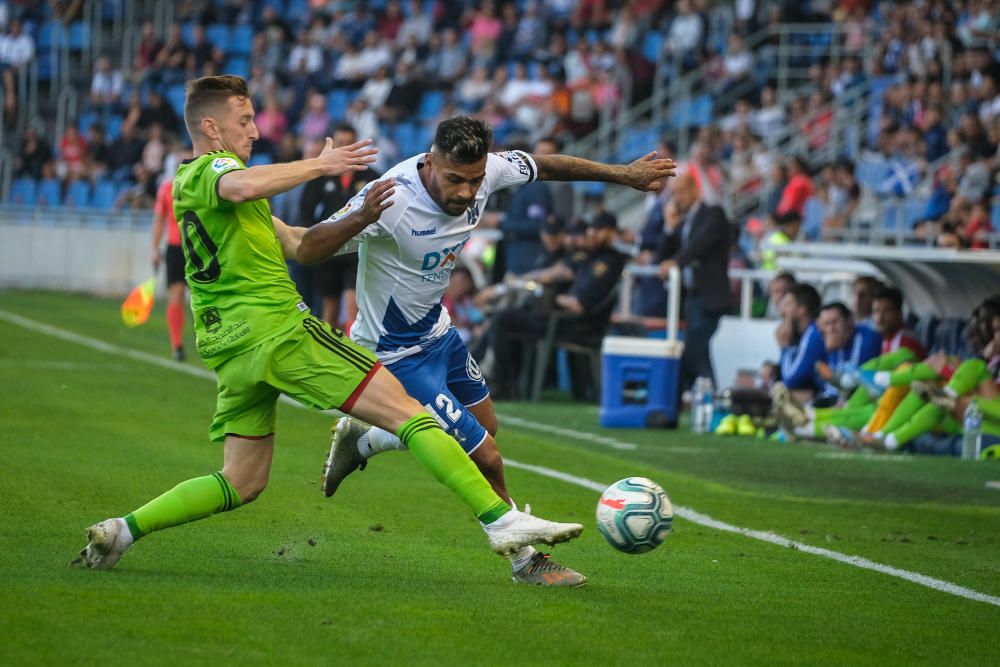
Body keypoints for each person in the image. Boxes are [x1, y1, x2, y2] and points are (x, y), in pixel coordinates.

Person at [74, 76, 582, 571]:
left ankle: (122, 530)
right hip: (277, 333)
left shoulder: (223, 200)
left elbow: (298, 242)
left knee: (242, 482)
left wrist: (354, 219)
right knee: (410, 413)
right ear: (211, 127)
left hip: (232, 350)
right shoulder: (208, 172)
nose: (254, 130)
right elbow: (240, 182)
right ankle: (500, 522)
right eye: (244, 120)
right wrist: (320, 165)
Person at [297, 115, 676, 585]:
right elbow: (308, 249)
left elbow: (547, 165)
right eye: (455, 179)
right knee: (486, 455)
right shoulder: (390, 196)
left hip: (439, 333)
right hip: (393, 352)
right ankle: (526, 561)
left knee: (487, 426)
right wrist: (361, 217)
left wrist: (623, 174)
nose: (465, 192)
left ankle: (366, 439)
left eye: (474, 180)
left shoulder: (487, 172)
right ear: (431, 161)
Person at [297, 123, 379, 330]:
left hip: (356, 251)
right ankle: (327, 355)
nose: (345, 147)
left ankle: (355, 355)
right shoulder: (320, 177)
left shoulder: (371, 177)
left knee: (352, 307)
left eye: (349, 143)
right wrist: (313, 239)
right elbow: (306, 213)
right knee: (329, 310)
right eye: (340, 143)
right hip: (329, 250)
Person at [655, 172, 732, 392]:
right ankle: (703, 395)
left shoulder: (713, 214)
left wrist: (676, 263)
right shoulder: (683, 221)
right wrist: (669, 227)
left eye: (680, 192)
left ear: (694, 190)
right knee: (694, 350)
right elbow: (663, 255)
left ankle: (712, 395)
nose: (677, 198)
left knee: (698, 349)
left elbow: (699, 245)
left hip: (709, 296)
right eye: (674, 193)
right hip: (690, 296)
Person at [151, 168, 188, 361]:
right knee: (177, 293)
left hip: (197, 247)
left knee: (200, 295)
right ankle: (177, 344)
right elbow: (159, 220)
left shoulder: (195, 186)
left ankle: (209, 340)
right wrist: (155, 249)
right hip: (176, 247)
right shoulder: (166, 188)